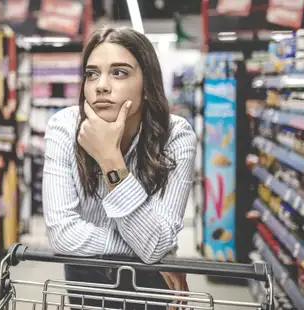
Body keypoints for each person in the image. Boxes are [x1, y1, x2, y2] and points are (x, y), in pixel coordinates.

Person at [42, 26, 197, 310]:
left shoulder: (176, 136)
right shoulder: (63, 128)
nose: (101, 85)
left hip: (150, 286)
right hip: (86, 280)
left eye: (119, 72)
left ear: (147, 84)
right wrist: (156, 248)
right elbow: (63, 235)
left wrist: (109, 158)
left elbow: (156, 244)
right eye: (91, 74)